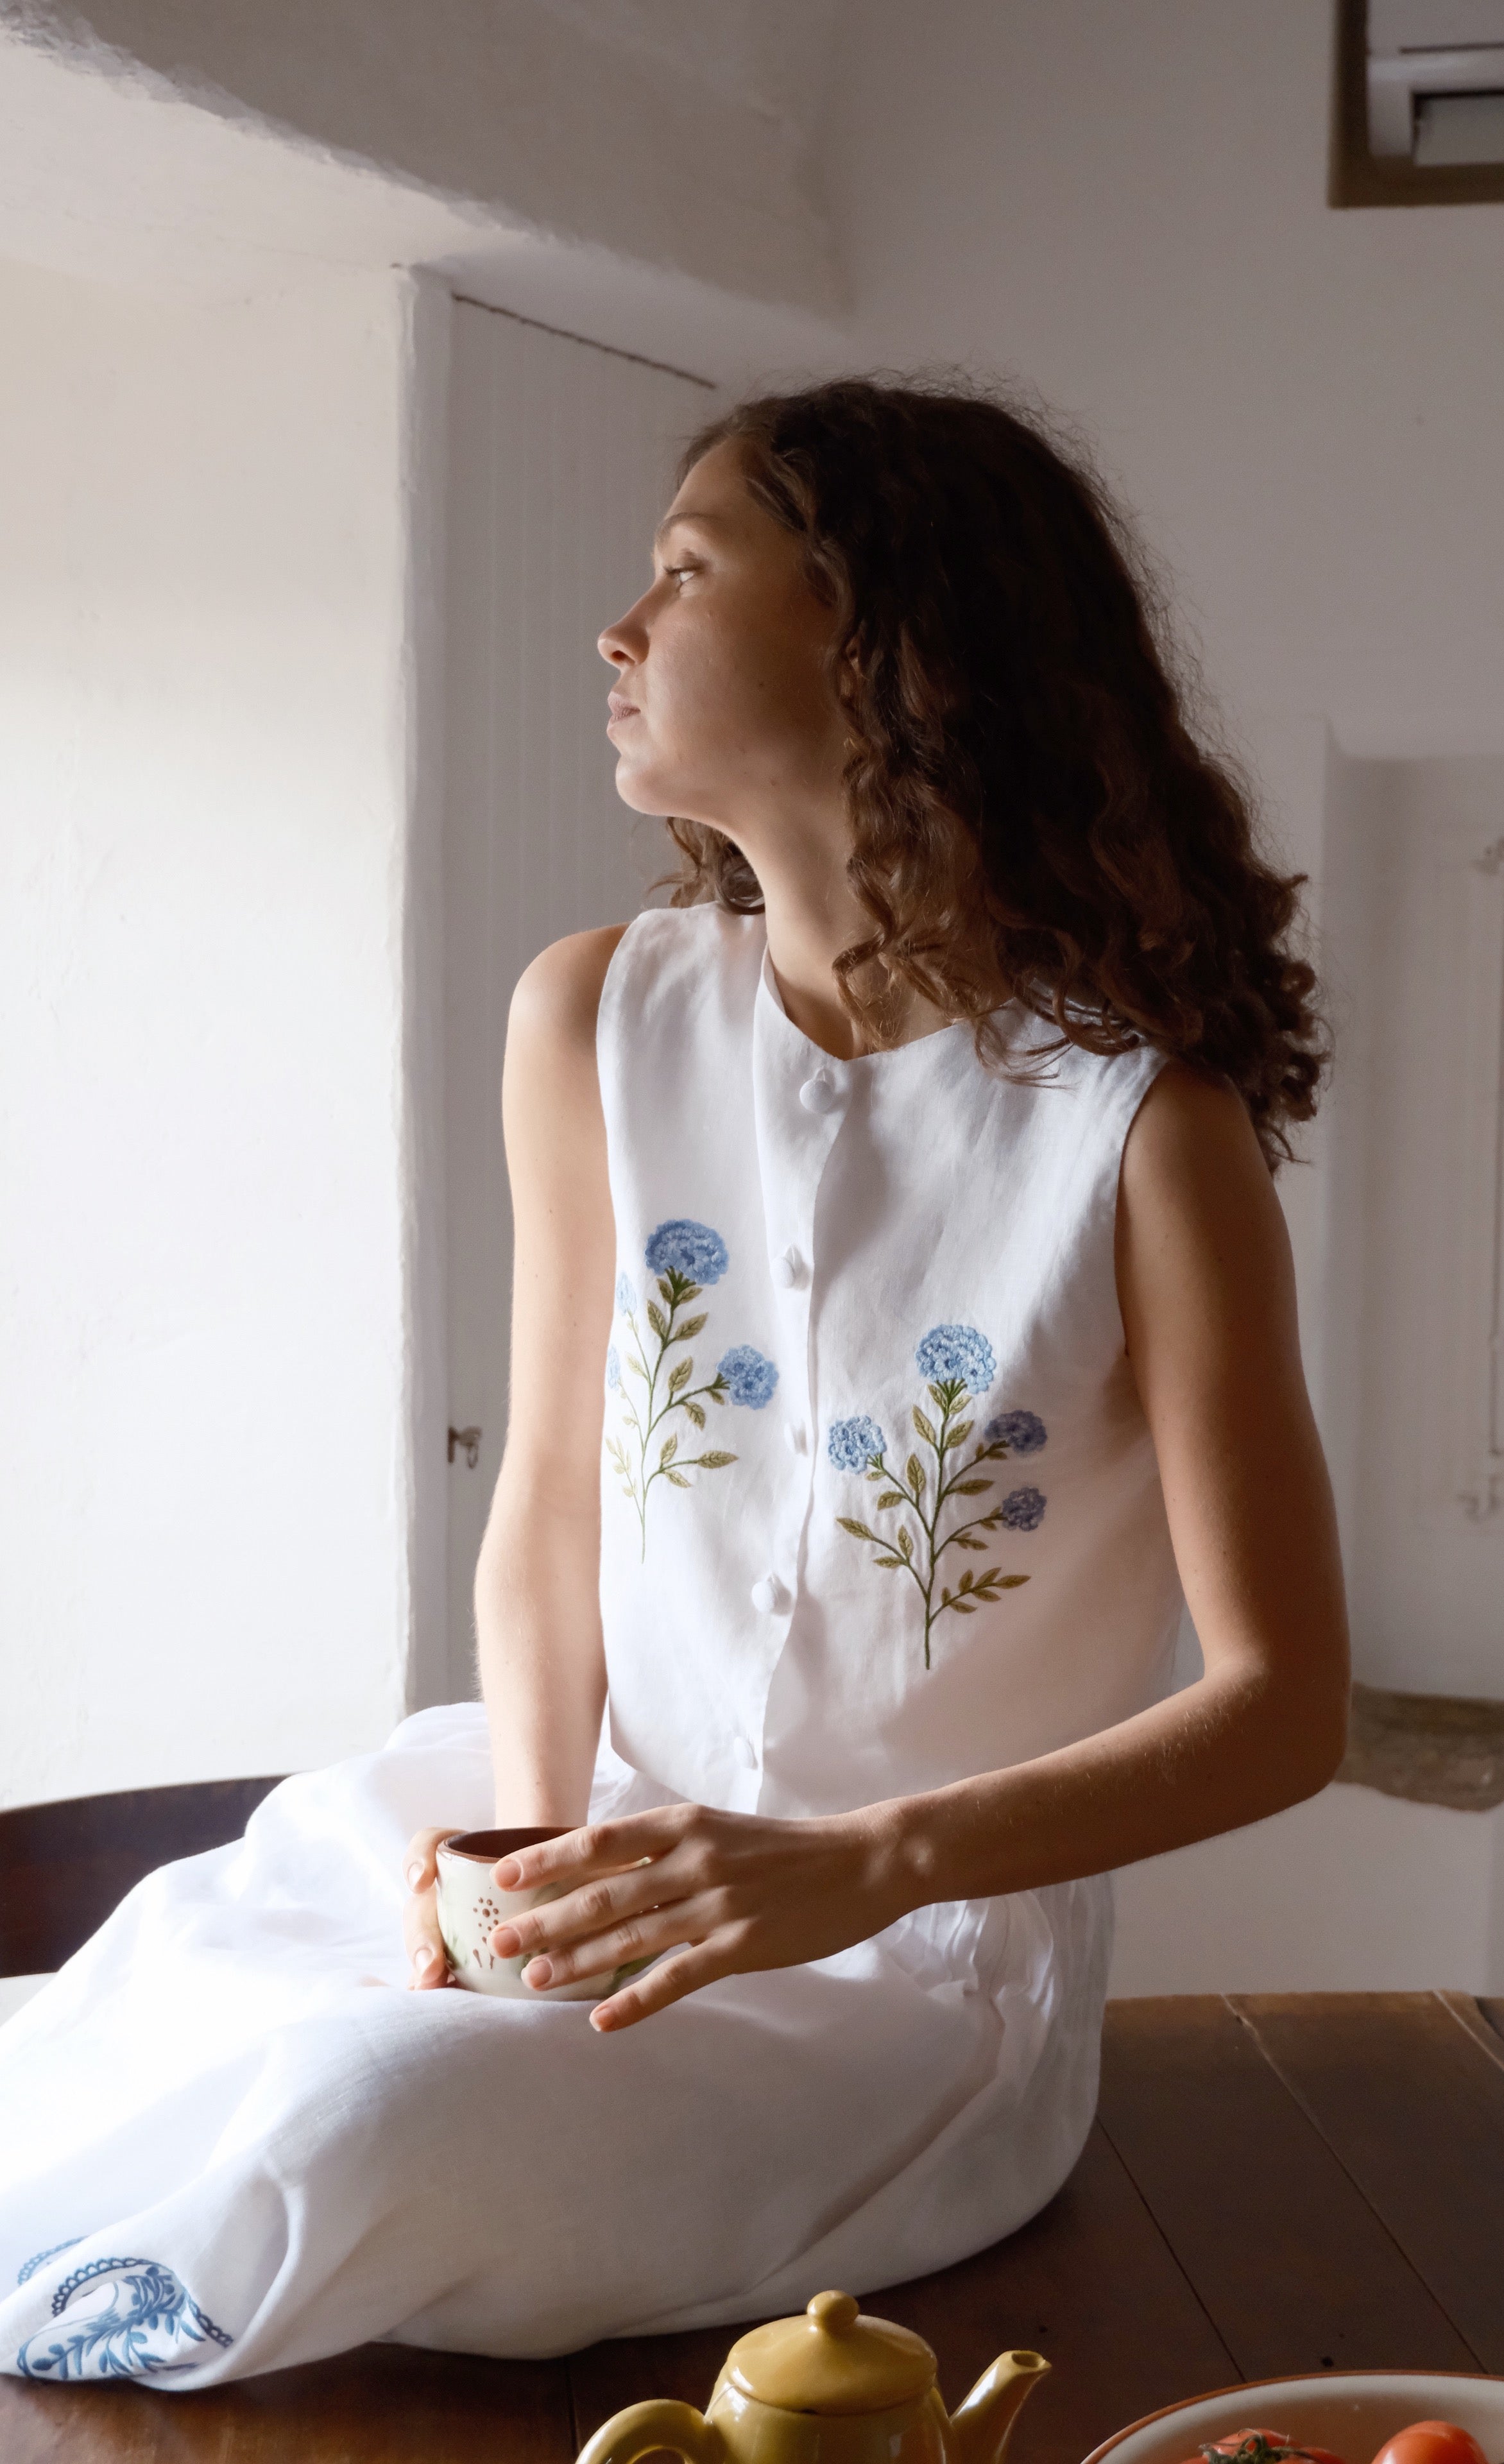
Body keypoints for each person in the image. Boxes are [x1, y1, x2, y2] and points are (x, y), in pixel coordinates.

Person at [0, 377, 1349, 2388]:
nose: (618, 629)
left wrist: (856, 1871)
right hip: (578, 1827)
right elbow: (551, 1503)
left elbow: (1284, 1711)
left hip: (909, 1974)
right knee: (158, 2002)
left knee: (368, 2119)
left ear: (878, 641)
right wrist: (530, 1873)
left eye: (685, 570)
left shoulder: (1144, 1135)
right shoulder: (594, 1016)